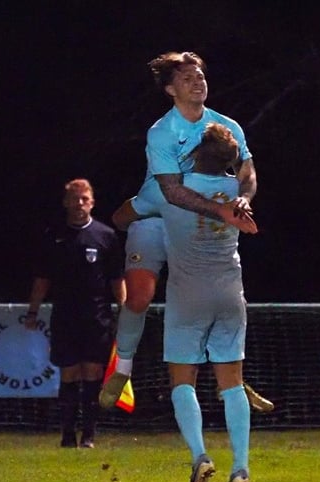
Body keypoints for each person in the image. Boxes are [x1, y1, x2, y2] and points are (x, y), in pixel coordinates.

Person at [99, 50, 273, 413]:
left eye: (200, 77)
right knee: (140, 297)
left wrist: (242, 198)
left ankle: (234, 378)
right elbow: (169, 193)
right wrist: (222, 209)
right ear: (169, 90)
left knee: (213, 299)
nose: (197, 83)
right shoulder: (162, 132)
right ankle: (123, 368)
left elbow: (248, 173)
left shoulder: (227, 126)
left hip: (198, 221)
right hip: (161, 215)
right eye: (187, 79)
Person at [114, 123, 252, 482]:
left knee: (182, 382)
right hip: (230, 293)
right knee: (232, 384)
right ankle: (240, 466)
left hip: (189, 294)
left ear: (193, 153)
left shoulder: (170, 190)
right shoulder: (236, 190)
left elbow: (123, 216)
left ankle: (200, 457)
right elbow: (248, 176)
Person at [25, 178, 126, 449]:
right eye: (74, 199)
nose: (79, 204)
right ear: (65, 202)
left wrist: (125, 312)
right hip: (64, 317)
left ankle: (89, 435)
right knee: (68, 374)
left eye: (84, 199)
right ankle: (68, 434)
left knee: (93, 373)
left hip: (97, 317)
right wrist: (32, 311)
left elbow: (117, 279)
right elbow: (42, 279)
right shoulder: (54, 236)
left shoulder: (106, 236)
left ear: (92, 202)